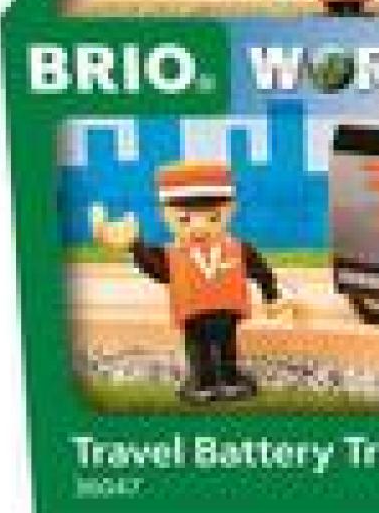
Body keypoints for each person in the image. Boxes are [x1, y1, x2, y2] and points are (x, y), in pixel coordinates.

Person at [90, 161, 280, 403]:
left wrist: (272, 296)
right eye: (185, 220)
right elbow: (155, 268)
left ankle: (230, 380)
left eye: (213, 218)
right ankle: (204, 382)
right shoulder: (172, 254)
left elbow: (260, 271)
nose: (199, 228)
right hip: (193, 313)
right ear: (165, 215)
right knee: (200, 348)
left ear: (231, 209)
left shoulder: (239, 249)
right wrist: (134, 246)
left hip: (226, 311)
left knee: (226, 345)